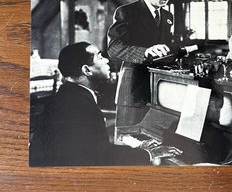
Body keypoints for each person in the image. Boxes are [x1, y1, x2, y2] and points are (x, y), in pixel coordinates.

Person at [29, 42, 181, 166]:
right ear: (87, 70)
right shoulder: (79, 106)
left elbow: (95, 149)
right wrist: (151, 153)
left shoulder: (70, 95)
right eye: (100, 58)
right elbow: (101, 157)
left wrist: (140, 147)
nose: (107, 61)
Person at [107, 0, 174, 125]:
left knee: (155, 140)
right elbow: (114, 48)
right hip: (133, 90)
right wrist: (145, 52)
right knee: (129, 142)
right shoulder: (127, 12)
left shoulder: (167, 16)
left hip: (160, 90)